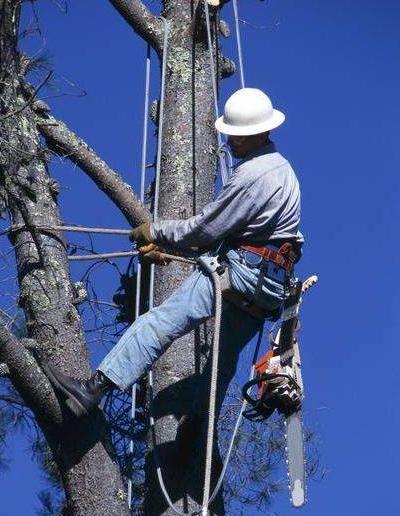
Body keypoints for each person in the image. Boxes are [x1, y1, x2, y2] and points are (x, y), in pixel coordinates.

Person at [49, 88, 304, 417]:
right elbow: (256, 233)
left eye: (238, 137)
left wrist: (155, 232)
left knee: (159, 322)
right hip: (267, 289)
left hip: (242, 275)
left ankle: (93, 388)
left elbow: (205, 230)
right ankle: (198, 451)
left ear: (260, 133)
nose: (231, 143)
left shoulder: (253, 176)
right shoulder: (285, 173)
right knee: (217, 375)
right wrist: (172, 248)